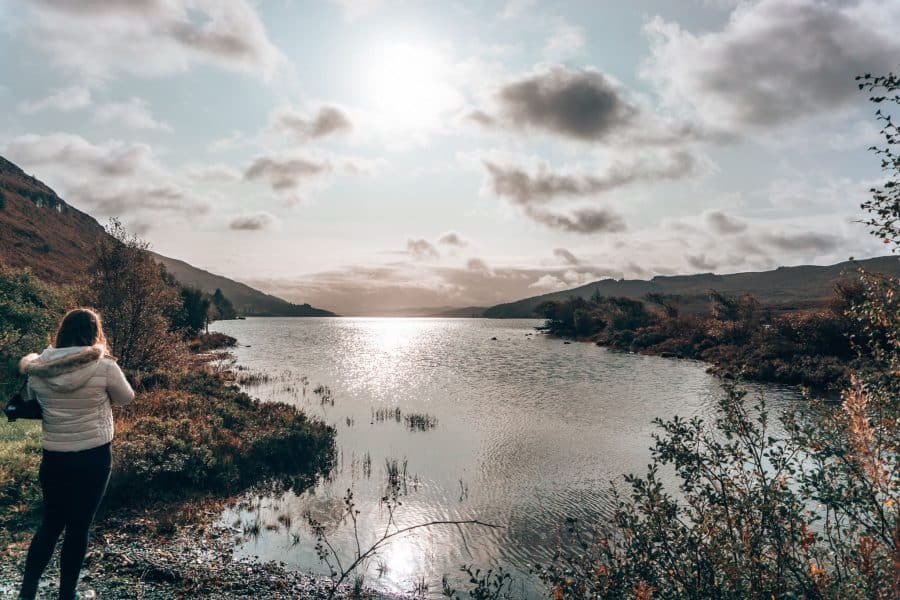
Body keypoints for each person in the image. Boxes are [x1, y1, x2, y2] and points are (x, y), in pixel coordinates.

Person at [16, 308, 134, 600]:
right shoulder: (104, 366)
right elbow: (126, 398)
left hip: (55, 456)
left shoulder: (38, 368)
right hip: (94, 457)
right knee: (79, 526)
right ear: (94, 333)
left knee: (51, 522)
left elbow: (32, 399)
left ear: (62, 331)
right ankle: (67, 594)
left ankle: (27, 592)